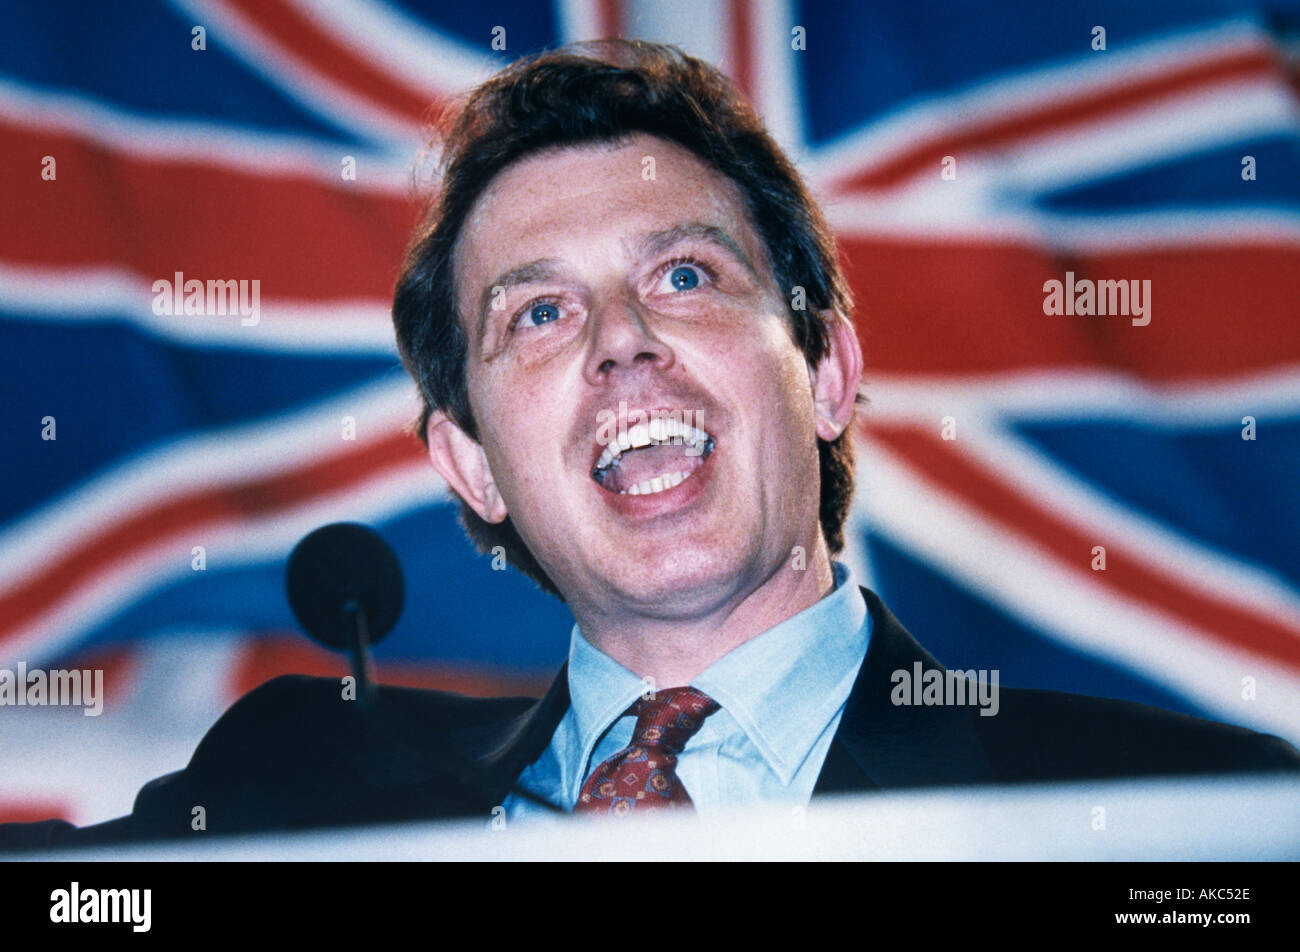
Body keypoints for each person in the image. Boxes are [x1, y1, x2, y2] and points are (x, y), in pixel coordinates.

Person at [3, 40, 1297, 849]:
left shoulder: (1177, 811)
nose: (621, 342)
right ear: (469, 466)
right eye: (542, 312)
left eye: (684, 277)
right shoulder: (301, 775)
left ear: (830, 373)